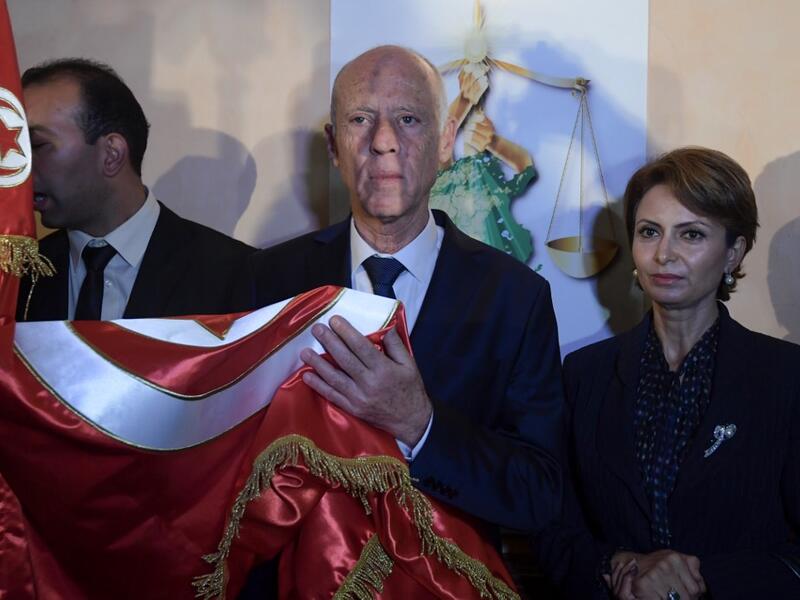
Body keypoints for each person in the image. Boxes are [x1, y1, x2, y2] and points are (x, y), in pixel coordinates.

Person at [236, 45, 565, 533]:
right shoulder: (269, 280)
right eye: (361, 119)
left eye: (409, 119)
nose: (383, 141)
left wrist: (420, 426)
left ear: (445, 141)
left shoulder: (517, 298)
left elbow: (541, 492)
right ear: (333, 146)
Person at [535, 147, 800, 599]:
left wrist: (695, 580)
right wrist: (619, 565)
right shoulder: (585, 375)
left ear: (733, 252)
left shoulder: (786, 378)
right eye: (649, 232)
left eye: (691, 235)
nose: (664, 254)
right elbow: (557, 534)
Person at [17, 58, 254, 321]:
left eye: (36, 145)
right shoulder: (16, 278)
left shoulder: (234, 277)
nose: (17, 165)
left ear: (111, 154)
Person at [430, 61, 537, 263]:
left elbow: (526, 166)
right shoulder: (445, 190)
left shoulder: (490, 192)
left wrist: (492, 142)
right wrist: (465, 100)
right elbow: (437, 151)